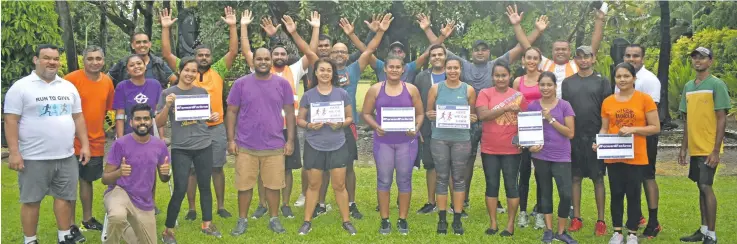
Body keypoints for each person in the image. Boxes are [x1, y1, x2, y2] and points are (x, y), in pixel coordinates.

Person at [425, 5, 549, 212]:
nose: (480, 52)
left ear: (488, 52)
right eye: (476, 49)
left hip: (496, 121)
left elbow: (522, 48)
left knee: (497, 162)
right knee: (467, 161)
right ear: (471, 52)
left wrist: (535, 30)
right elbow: (439, 48)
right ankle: (462, 199)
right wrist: (429, 30)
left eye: (483, 49)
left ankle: (497, 199)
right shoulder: (463, 65)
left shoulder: (497, 64)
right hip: (471, 120)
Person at [4, 44, 91, 244]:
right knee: (31, 201)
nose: (52, 62)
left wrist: (84, 145)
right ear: (35, 60)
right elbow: (10, 121)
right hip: (34, 158)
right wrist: (14, 152)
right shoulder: (21, 87)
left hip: (66, 155)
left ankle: (64, 236)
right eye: (46, 58)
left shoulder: (68, 86)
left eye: (55, 58)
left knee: (64, 198)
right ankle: (30, 240)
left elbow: (78, 117)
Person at [160, 6, 239, 220]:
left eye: (207, 55)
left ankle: (220, 206)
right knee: (192, 172)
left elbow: (233, 51)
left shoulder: (219, 70)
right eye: (199, 55)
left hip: (215, 129)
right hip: (190, 129)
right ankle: (192, 209)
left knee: (216, 169)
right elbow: (167, 54)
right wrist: (166, 28)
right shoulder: (187, 70)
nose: (203, 58)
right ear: (193, 59)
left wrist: (233, 26)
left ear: (211, 57)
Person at [241, 12, 320, 219]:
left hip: (286, 129)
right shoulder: (259, 68)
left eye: (281, 54)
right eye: (274, 54)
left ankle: (285, 204)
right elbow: (247, 51)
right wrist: (242, 27)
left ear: (286, 57)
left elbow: (311, 55)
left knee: (287, 169)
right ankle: (262, 204)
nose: (278, 57)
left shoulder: (293, 70)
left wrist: (302, 31)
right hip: (264, 129)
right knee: (261, 169)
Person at [227, 47, 296, 235]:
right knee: (244, 185)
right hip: (246, 145)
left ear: (271, 60)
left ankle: (274, 218)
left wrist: (290, 140)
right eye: (259, 59)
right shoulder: (240, 84)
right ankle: (242, 220)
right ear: (253, 61)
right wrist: (231, 140)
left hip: (274, 144)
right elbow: (231, 112)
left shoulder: (282, 84)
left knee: (274, 185)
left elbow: (290, 113)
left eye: (267, 58)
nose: (263, 62)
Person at [157, 58, 223, 242]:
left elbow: (206, 117)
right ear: (179, 71)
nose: (190, 74)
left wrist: (213, 116)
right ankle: (168, 231)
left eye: (193, 71)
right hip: (181, 148)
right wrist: (168, 105)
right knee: (179, 188)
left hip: (203, 145)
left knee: (205, 186)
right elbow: (159, 122)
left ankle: (207, 224)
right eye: (187, 70)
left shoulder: (201, 92)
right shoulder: (168, 93)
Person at [596, 62, 660, 244]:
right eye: (619, 76)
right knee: (616, 193)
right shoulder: (608, 101)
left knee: (633, 194)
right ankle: (617, 232)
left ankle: (632, 233)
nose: (622, 80)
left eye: (626, 76)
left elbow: (655, 127)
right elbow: (604, 128)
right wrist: (599, 143)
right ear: (614, 79)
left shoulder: (644, 99)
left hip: (637, 156)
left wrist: (633, 130)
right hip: (614, 155)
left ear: (634, 78)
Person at [362, 54, 425, 235]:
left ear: (403, 69)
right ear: (385, 68)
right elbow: (366, 113)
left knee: (404, 179)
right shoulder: (375, 89)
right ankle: (385, 219)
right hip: (384, 142)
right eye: (391, 67)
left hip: (406, 141)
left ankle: (402, 219)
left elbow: (420, 114)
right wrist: (376, 126)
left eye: (398, 67)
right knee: (384, 179)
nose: (395, 70)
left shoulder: (411, 89)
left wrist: (416, 127)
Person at [296, 59, 357, 235]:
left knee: (339, 185)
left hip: (337, 144)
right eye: (321, 70)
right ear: (315, 72)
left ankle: (346, 221)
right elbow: (300, 119)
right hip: (314, 145)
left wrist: (341, 124)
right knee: (314, 185)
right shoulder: (308, 95)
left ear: (333, 73)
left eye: (328, 70)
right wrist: (308, 125)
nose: (325, 73)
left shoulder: (342, 94)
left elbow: (349, 118)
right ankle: (307, 221)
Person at [678, 47, 729, 244]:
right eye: (695, 57)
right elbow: (687, 120)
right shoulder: (689, 86)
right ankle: (703, 229)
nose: (698, 61)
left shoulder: (717, 84)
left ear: (711, 61)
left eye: (702, 57)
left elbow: (721, 118)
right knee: (701, 186)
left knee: (706, 186)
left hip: (709, 147)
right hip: (695, 147)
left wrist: (716, 150)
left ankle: (712, 235)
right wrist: (684, 147)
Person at [101, 103, 170, 244]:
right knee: (117, 216)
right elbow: (105, 178)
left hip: (144, 201)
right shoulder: (120, 144)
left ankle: (126, 226)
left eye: (146, 118)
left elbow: (164, 178)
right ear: (131, 122)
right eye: (138, 119)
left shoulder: (160, 145)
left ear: (151, 121)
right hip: (120, 192)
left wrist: (166, 173)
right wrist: (119, 172)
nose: (142, 122)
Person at [561, 46, 611, 235]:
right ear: (575, 60)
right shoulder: (567, 83)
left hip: (596, 137)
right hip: (574, 137)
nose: (583, 60)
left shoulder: (602, 81)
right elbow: (566, 111)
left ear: (593, 58)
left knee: (598, 178)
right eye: (579, 57)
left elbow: (607, 112)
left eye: (587, 57)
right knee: (575, 178)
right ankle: (576, 218)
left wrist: (602, 137)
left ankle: (601, 220)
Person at [64, 45, 115, 232]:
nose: (95, 62)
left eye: (98, 58)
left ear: (103, 60)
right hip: (69, 141)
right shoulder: (70, 80)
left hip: (95, 141)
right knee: (69, 183)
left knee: (87, 181)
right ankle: (69, 224)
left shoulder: (108, 82)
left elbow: (109, 109)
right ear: (83, 60)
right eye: (90, 59)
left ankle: (87, 219)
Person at [425, 57, 478, 235]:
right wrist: (431, 114)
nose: (453, 71)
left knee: (459, 179)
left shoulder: (468, 90)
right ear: (445, 69)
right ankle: (441, 219)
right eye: (449, 68)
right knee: (441, 177)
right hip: (439, 138)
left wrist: (472, 118)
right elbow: (428, 112)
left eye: (456, 68)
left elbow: (472, 115)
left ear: (460, 70)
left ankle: (456, 219)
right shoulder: (436, 88)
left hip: (461, 139)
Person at [476, 62, 527, 237]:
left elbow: (526, 122)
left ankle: (510, 224)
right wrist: (505, 107)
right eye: (497, 75)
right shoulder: (485, 93)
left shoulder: (519, 96)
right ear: (492, 77)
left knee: (511, 186)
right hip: (490, 148)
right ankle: (493, 223)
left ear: (509, 76)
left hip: (512, 149)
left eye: (504, 75)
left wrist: (524, 139)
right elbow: (483, 115)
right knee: (491, 185)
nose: (500, 79)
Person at [616, 44, 663, 236]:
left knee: (647, 177)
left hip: (644, 137)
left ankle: (653, 222)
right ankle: (638, 216)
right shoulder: (622, 76)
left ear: (642, 58)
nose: (631, 59)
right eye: (628, 55)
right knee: (628, 178)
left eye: (636, 56)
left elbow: (652, 116)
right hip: (624, 138)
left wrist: (634, 129)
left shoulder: (650, 80)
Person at [527, 72, 577, 244]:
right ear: (538, 86)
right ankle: (549, 230)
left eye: (549, 85)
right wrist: (530, 146)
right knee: (545, 192)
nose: (546, 88)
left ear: (555, 86)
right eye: (542, 84)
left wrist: (550, 119)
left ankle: (561, 231)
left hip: (561, 156)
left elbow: (570, 133)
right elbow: (528, 133)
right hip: (540, 156)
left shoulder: (564, 106)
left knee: (565, 194)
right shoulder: (533, 106)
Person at [112, 54, 165, 215]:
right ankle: (129, 204)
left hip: (151, 135)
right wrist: (120, 140)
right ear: (127, 70)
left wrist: (161, 137)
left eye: (139, 63)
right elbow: (120, 114)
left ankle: (150, 203)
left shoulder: (155, 85)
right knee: (129, 171)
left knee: (150, 171)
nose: (136, 66)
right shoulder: (122, 86)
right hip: (129, 135)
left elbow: (159, 113)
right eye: (132, 65)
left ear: (145, 65)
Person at [411, 44, 448, 215]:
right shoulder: (421, 77)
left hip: (451, 128)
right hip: (428, 128)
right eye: (433, 55)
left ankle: (455, 204)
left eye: (440, 54)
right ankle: (431, 202)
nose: (437, 57)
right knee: (431, 165)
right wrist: (417, 127)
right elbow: (416, 104)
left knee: (453, 166)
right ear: (429, 58)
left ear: (445, 56)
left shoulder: (453, 73)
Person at [512, 47, 544, 229]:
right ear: (523, 59)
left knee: (541, 175)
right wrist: (516, 135)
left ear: (539, 60)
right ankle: (522, 213)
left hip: (542, 131)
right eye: (528, 58)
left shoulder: (544, 78)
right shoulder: (518, 81)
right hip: (524, 131)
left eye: (535, 58)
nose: (531, 61)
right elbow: (515, 107)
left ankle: (540, 212)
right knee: (523, 173)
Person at [540, 9, 605, 98]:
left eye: (564, 49)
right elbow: (528, 49)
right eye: (557, 49)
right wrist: (537, 30)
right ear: (552, 51)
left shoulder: (577, 63)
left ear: (569, 51)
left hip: (572, 107)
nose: (560, 52)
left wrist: (599, 20)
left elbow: (593, 49)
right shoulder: (545, 63)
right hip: (550, 107)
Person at [108, 32, 177, 88]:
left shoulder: (158, 63)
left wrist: (165, 95)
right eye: (138, 42)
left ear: (149, 44)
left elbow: (175, 81)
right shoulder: (123, 62)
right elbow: (106, 80)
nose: (142, 45)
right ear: (132, 45)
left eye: (145, 42)